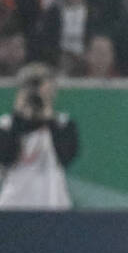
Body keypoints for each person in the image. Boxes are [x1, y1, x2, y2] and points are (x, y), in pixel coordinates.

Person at [0, 62, 78, 209]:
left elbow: (65, 157)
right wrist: (18, 116)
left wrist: (48, 117)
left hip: (53, 203)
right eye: (31, 87)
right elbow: (6, 158)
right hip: (13, 205)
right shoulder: (6, 125)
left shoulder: (63, 124)